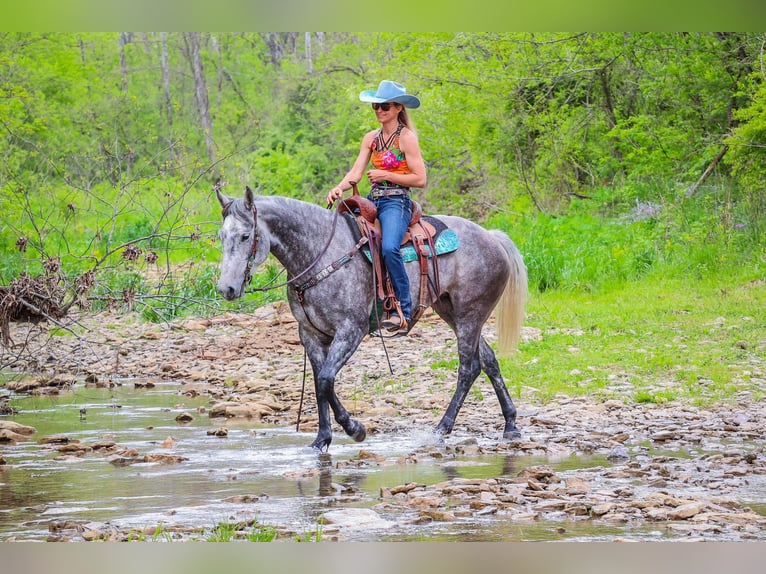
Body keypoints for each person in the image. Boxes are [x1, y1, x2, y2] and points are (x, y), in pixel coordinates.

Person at [326, 80, 427, 334]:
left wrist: (386, 175)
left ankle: (403, 308)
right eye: (375, 107)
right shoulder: (371, 139)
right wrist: (340, 187)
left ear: (397, 109)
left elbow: (420, 179)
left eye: (384, 106)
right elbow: (356, 172)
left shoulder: (407, 138)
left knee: (390, 247)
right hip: (374, 199)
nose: (379, 111)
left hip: (397, 200)